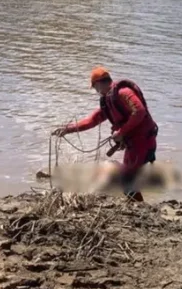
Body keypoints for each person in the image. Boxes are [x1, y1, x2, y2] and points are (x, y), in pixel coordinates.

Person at [53, 68, 158, 201]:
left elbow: (139, 111)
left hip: (143, 141)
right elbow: (91, 121)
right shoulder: (109, 101)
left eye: (95, 88)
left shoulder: (123, 93)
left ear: (99, 83)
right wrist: (68, 129)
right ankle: (138, 206)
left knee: (127, 183)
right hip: (134, 144)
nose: (97, 92)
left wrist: (121, 132)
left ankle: (142, 210)